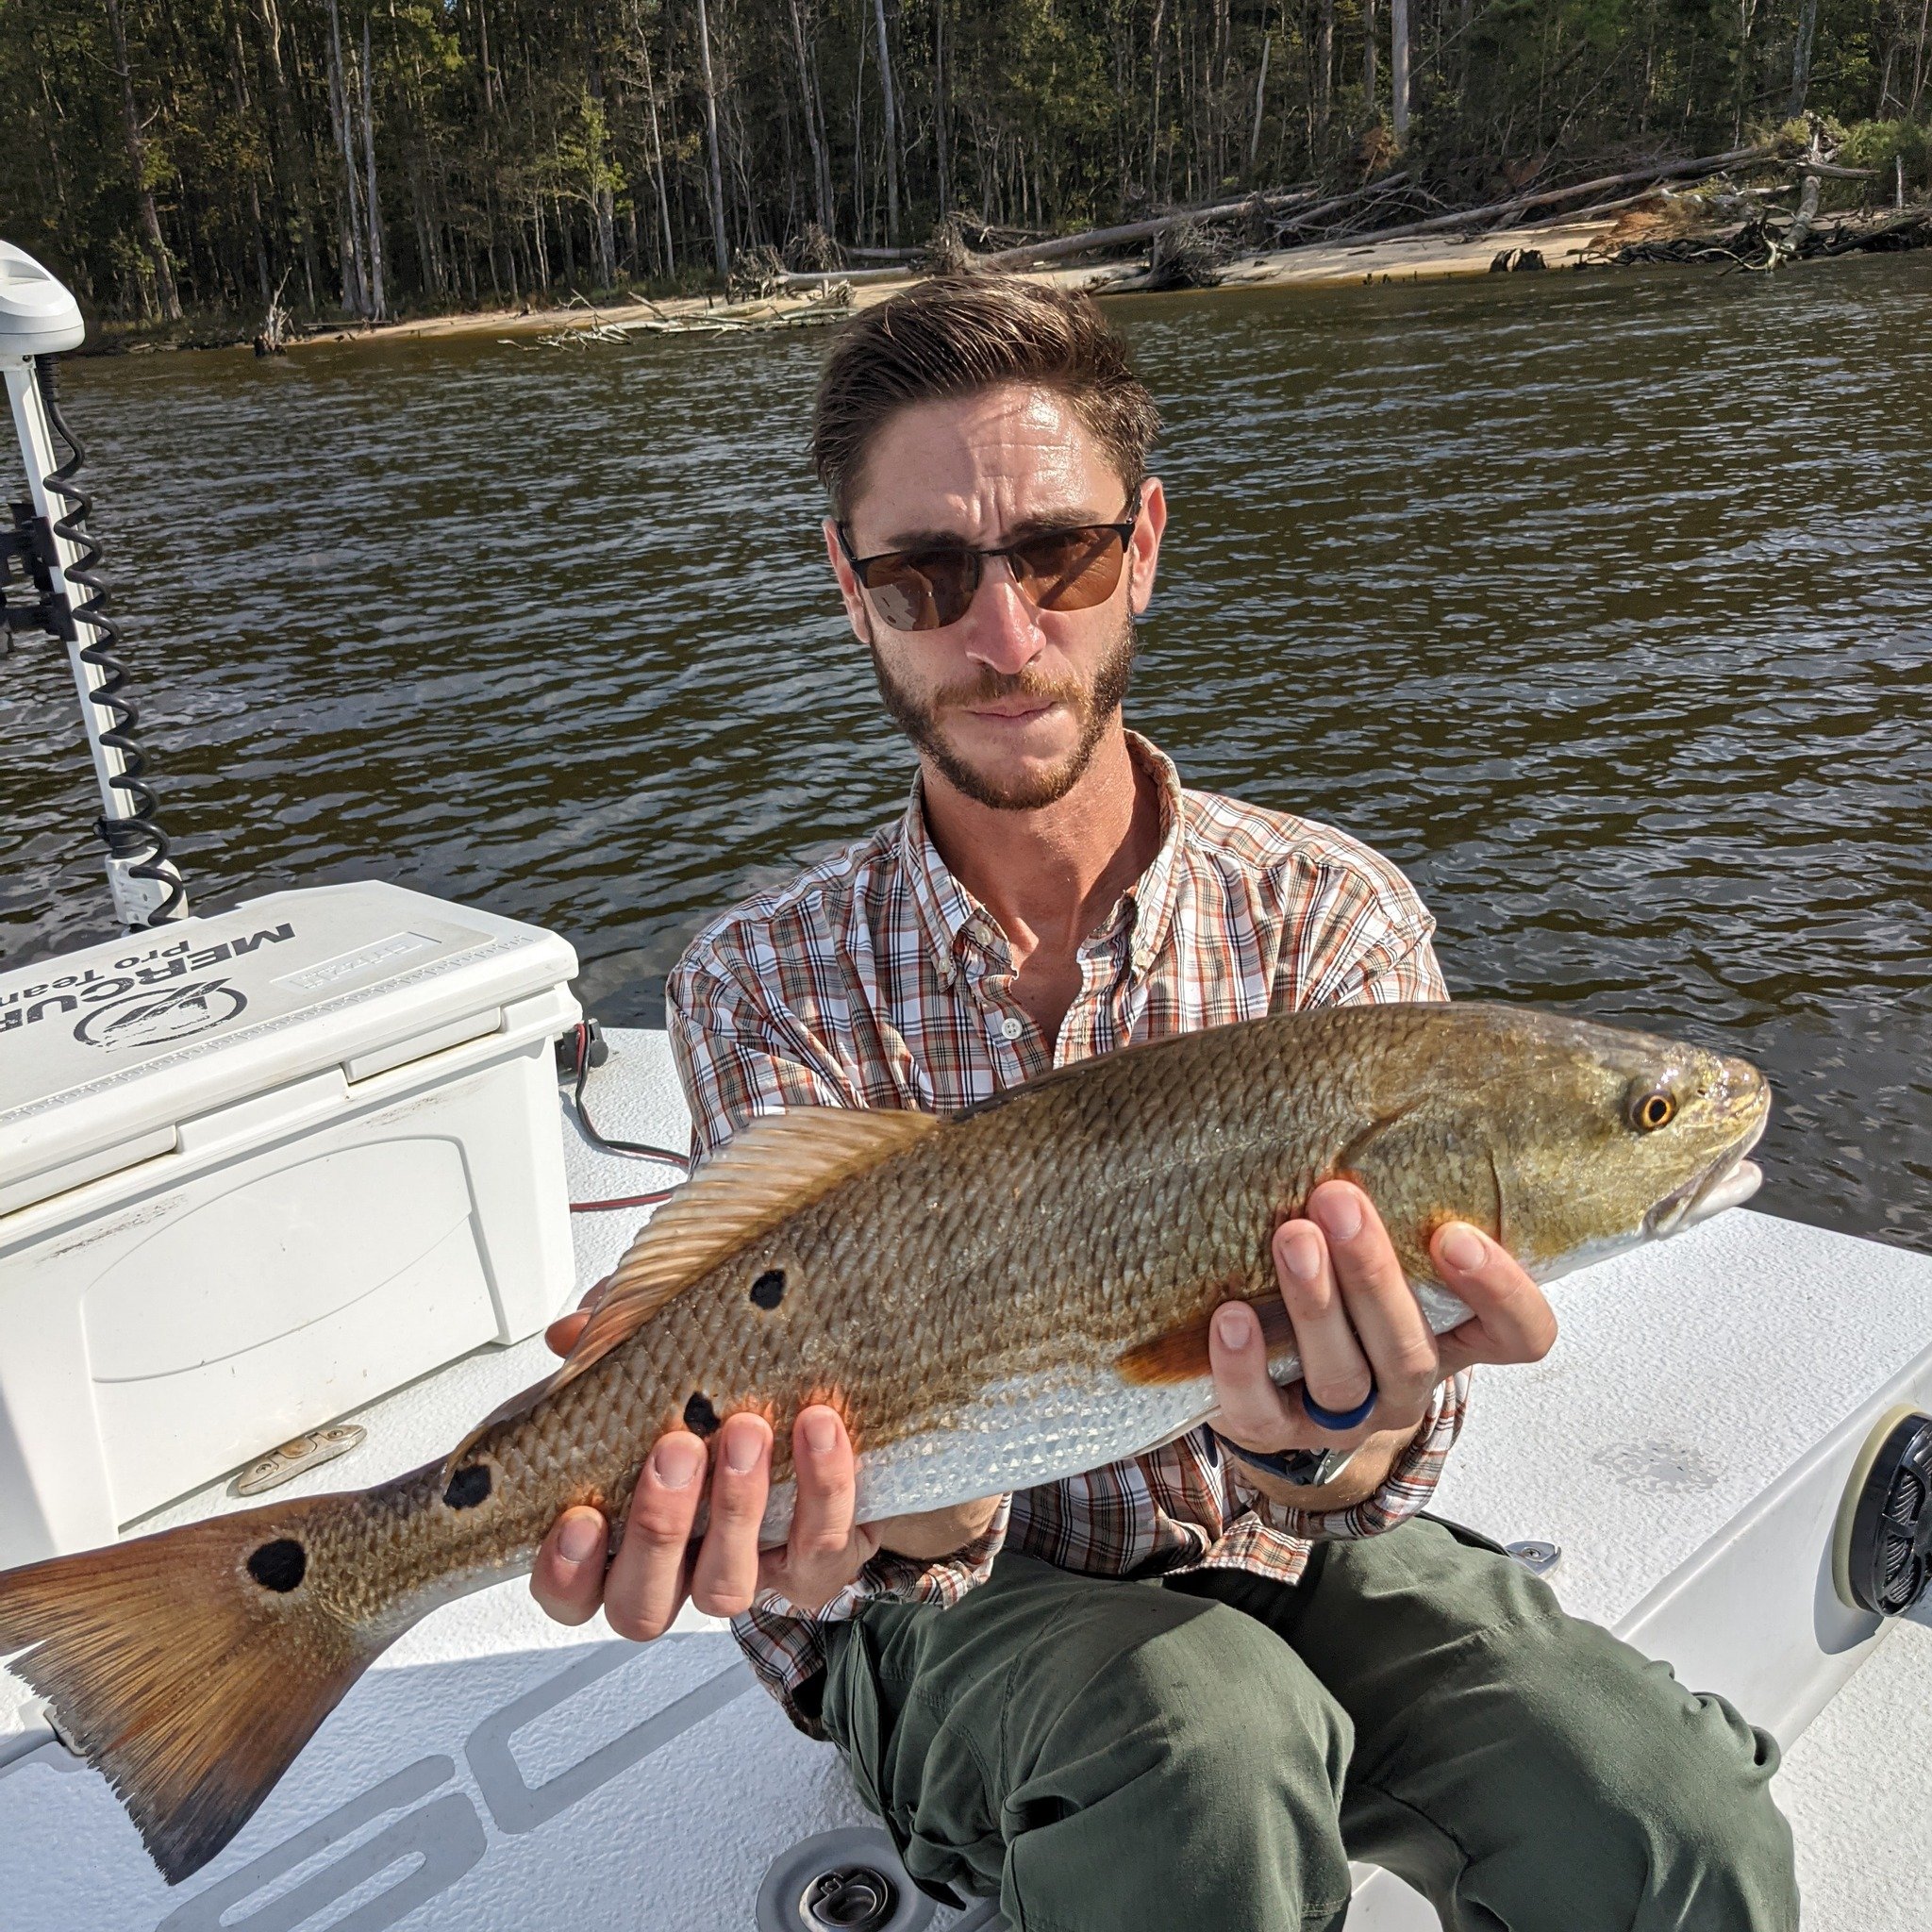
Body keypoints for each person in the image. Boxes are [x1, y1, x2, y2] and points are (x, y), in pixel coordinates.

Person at [530, 276, 1797, 1930]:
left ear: (1142, 548)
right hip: (946, 1606)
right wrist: (846, 1514)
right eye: (925, 576)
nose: (1003, 638)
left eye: (1057, 557)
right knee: (1209, 1752)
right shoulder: (766, 979)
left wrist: (1332, 1438)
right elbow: (894, 1516)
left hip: (1295, 1546)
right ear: (851, 590)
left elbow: (1374, 1474)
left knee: (1667, 1816)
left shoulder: (1330, 917)